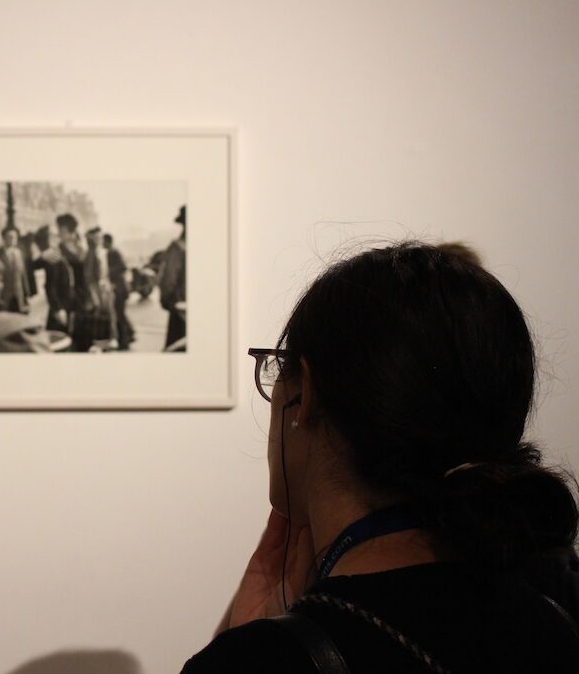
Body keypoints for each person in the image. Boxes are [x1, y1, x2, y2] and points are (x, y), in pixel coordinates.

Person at [182, 241, 579, 673]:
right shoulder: (557, 622)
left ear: (307, 395)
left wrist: (244, 644)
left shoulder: (262, 661)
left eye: (278, 367)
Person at [158, 205, 186, 351]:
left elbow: (167, 282)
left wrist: (167, 300)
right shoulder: (179, 248)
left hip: (180, 311)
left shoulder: (177, 249)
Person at [104, 233, 134, 350]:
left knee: (119, 314)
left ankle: (124, 341)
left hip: (119, 288)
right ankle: (130, 334)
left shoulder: (113, 252)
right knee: (120, 313)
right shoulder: (113, 252)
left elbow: (123, 267)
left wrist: (108, 272)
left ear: (108, 242)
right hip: (121, 287)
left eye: (104, 242)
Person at [0, 226, 31, 314]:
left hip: (18, 294)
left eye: (15, 237)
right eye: (10, 237)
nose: (13, 239)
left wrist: (26, 292)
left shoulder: (19, 253)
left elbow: (23, 274)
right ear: (3, 238)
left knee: (18, 319)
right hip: (3, 295)